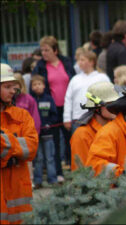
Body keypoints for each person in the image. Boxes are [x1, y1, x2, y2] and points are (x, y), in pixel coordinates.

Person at [32, 35, 76, 182]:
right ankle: (58, 173)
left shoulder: (66, 62)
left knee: (72, 139)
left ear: (55, 50)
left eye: (47, 50)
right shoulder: (40, 67)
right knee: (55, 142)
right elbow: (35, 87)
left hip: (68, 107)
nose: (44, 53)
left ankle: (73, 168)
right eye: (42, 50)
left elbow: (74, 81)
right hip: (51, 109)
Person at [1, 63, 38, 225]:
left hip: (18, 190)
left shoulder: (22, 115)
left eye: (14, 87)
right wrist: (16, 146)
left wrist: (4, 141)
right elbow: (23, 146)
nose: (13, 91)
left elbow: (31, 147)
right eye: (7, 87)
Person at [70, 82, 120, 171]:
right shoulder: (82, 135)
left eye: (116, 103)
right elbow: (81, 172)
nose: (115, 107)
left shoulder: (116, 130)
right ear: (97, 108)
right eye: (110, 103)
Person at [63, 50, 110, 134]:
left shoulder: (102, 78)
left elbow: (109, 97)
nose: (79, 62)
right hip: (78, 119)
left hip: (97, 118)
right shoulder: (75, 79)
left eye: (82, 60)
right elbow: (68, 99)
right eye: (78, 60)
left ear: (91, 62)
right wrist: (67, 118)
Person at [30, 75, 58, 189]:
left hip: (48, 134)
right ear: (31, 87)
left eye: (39, 84)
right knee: (38, 159)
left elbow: (55, 114)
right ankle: (38, 180)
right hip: (35, 135)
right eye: (34, 85)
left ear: (44, 86)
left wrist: (49, 123)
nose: (37, 87)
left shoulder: (49, 98)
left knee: (50, 158)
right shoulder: (31, 100)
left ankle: (53, 179)